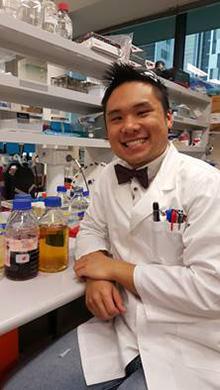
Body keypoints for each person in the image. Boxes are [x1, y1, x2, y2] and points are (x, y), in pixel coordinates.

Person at [4, 63, 220, 390]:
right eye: (116, 118)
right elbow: (92, 229)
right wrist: (94, 275)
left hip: (191, 342)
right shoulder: (108, 174)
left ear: (168, 119)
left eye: (142, 112)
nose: (129, 126)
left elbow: (210, 289)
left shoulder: (206, 184)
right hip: (121, 328)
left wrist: (115, 270)